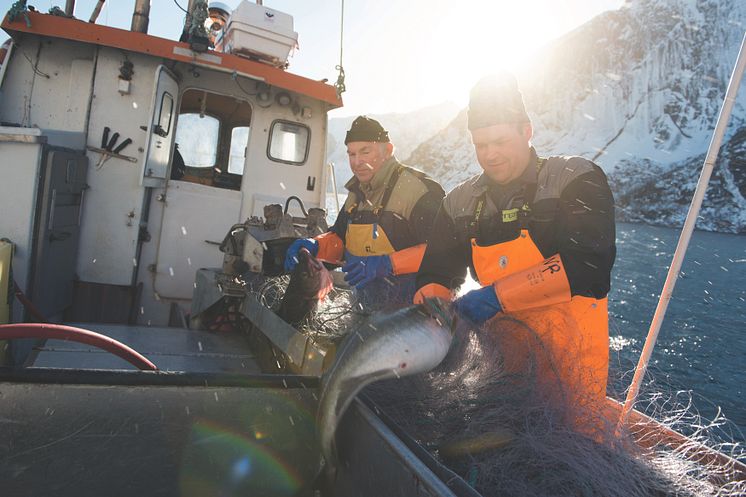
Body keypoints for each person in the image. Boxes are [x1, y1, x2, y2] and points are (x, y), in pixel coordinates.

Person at [414, 73, 616, 414]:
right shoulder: (458, 204)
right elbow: (436, 270)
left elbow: (589, 269)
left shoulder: (575, 179)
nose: (490, 154)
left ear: (527, 131)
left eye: (500, 141)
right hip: (501, 374)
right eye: (481, 145)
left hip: (573, 383)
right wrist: (430, 315)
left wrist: (496, 296)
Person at [285, 116, 444, 308]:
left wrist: (389, 264)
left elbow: (442, 251)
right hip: (367, 306)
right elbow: (340, 239)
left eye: (365, 152)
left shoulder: (418, 190)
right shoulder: (356, 192)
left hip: (414, 314)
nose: (357, 162)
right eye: (351, 154)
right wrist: (315, 246)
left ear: (388, 150)